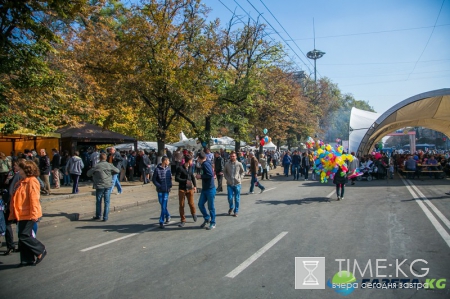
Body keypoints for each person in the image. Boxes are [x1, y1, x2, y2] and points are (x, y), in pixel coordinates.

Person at [8, 160, 47, 267]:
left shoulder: (32, 181)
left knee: (23, 235)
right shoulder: (21, 181)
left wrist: (34, 214)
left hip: (29, 213)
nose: (18, 170)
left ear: (26, 170)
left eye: (20, 169)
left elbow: (34, 199)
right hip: (21, 213)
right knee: (22, 237)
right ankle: (27, 259)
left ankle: (40, 249)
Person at [87, 153, 120, 222]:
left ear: (100, 158)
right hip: (108, 184)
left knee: (98, 201)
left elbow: (88, 174)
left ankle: (98, 215)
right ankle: (105, 217)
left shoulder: (97, 166)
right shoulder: (109, 165)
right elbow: (117, 170)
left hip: (99, 185)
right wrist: (111, 173)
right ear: (106, 158)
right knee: (107, 201)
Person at [195, 151, 216, 230]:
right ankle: (207, 218)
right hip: (205, 188)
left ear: (200, 158)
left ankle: (213, 222)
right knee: (200, 204)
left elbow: (210, 174)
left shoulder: (206, 164)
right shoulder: (205, 163)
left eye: (198, 158)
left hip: (210, 188)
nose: (197, 160)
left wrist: (200, 176)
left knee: (211, 207)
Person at [175, 155, 197, 227]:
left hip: (189, 189)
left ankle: (193, 213)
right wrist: (185, 181)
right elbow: (176, 178)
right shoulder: (180, 168)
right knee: (181, 205)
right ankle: (183, 220)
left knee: (191, 203)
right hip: (182, 189)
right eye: (191, 160)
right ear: (188, 161)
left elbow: (192, 177)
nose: (192, 162)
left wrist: (195, 186)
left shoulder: (191, 168)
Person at [152, 156, 172, 229]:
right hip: (160, 190)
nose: (169, 162)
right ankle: (168, 215)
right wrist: (159, 186)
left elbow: (170, 178)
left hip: (166, 190)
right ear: (165, 161)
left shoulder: (168, 169)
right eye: (168, 160)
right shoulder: (157, 169)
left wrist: (170, 186)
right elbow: (154, 179)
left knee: (163, 206)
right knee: (162, 204)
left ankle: (161, 221)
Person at [224, 151, 245, 217]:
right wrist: (227, 178)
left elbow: (243, 172)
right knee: (230, 198)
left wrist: (240, 178)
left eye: (233, 156)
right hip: (230, 184)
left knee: (237, 198)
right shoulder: (227, 164)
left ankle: (236, 211)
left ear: (236, 157)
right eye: (231, 156)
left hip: (237, 184)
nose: (232, 157)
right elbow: (224, 172)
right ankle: (231, 207)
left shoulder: (239, 164)